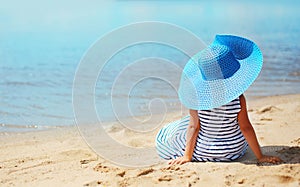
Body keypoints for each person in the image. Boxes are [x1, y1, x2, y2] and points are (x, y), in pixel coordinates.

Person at [155, 35, 282, 165]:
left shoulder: (197, 98)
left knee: (175, 130)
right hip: (234, 150)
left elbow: (194, 128)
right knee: (233, 125)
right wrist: (260, 156)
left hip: (206, 151)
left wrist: (187, 156)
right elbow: (246, 128)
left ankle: (183, 148)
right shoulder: (238, 98)